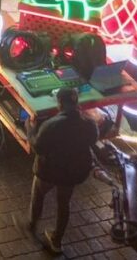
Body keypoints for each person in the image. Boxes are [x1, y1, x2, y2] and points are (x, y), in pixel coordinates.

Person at [28, 87, 99, 254]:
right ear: (76, 102)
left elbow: (38, 146)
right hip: (73, 172)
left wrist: (30, 128)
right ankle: (57, 241)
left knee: (38, 194)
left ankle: (32, 225)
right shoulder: (89, 123)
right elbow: (93, 139)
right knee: (63, 204)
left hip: (50, 170)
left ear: (59, 103)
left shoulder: (51, 124)